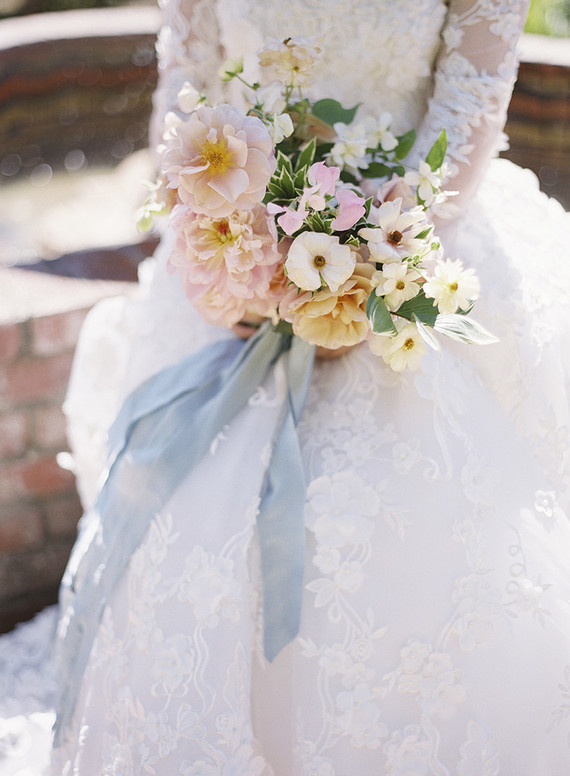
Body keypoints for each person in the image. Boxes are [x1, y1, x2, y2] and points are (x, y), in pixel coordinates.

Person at [49, 0, 570, 772]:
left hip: (412, 246)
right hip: (234, 255)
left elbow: (469, 102)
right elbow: (184, 88)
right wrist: (228, 261)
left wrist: (366, 264)